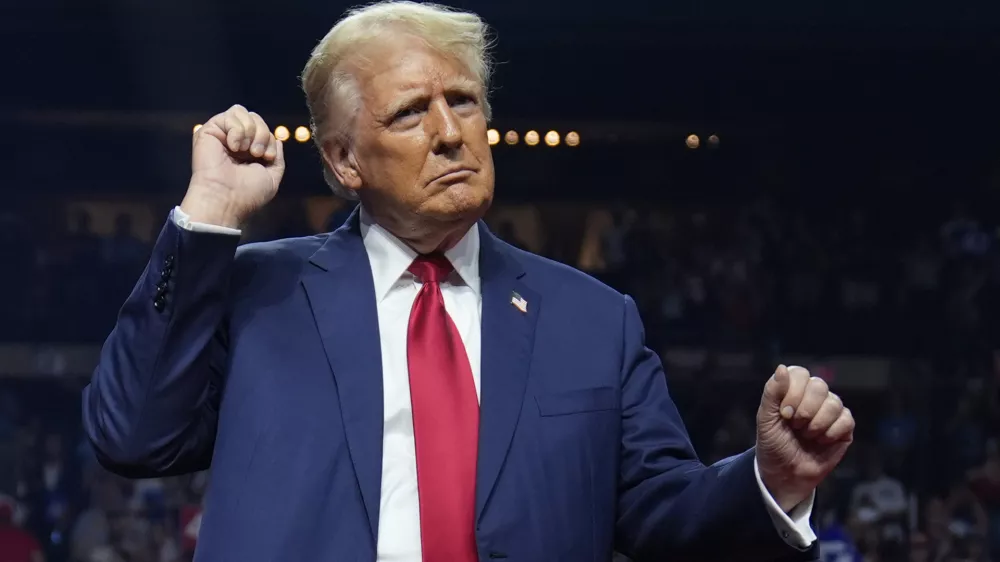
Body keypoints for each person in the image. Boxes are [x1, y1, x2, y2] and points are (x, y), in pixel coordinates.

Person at [82, 2, 855, 561]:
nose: (451, 131)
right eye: (412, 112)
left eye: (463, 100)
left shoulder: (593, 319)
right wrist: (210, 213)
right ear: (345, 162)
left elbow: (663, 515)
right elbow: (131, 436)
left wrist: (768, 481)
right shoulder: (259, 293)